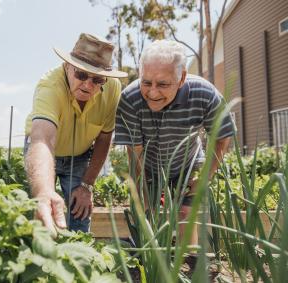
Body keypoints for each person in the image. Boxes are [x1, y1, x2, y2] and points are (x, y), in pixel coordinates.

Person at [114, 40, 235, 246]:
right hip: (149, 166)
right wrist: (144, 199)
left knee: (186, 214)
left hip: (188, 164)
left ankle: (187, 263)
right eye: (146, 82)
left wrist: (204, 178)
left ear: (182, 79)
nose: (152, 92)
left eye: (162, 84)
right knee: (147, 218)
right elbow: (135, 154)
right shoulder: (130, 99)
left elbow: (222, 138)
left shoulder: (204, 94)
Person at [24, 33, 127, 235]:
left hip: (79, 156)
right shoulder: (50, 86)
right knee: (42, 212)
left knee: (80, 214)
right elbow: (42, 139)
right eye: (81, 75)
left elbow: (105, 138)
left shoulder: (113, 89)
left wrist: (87, 185)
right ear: (66, 67)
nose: (88, 85)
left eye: (97, 79)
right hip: (45, 153)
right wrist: (44, 191)